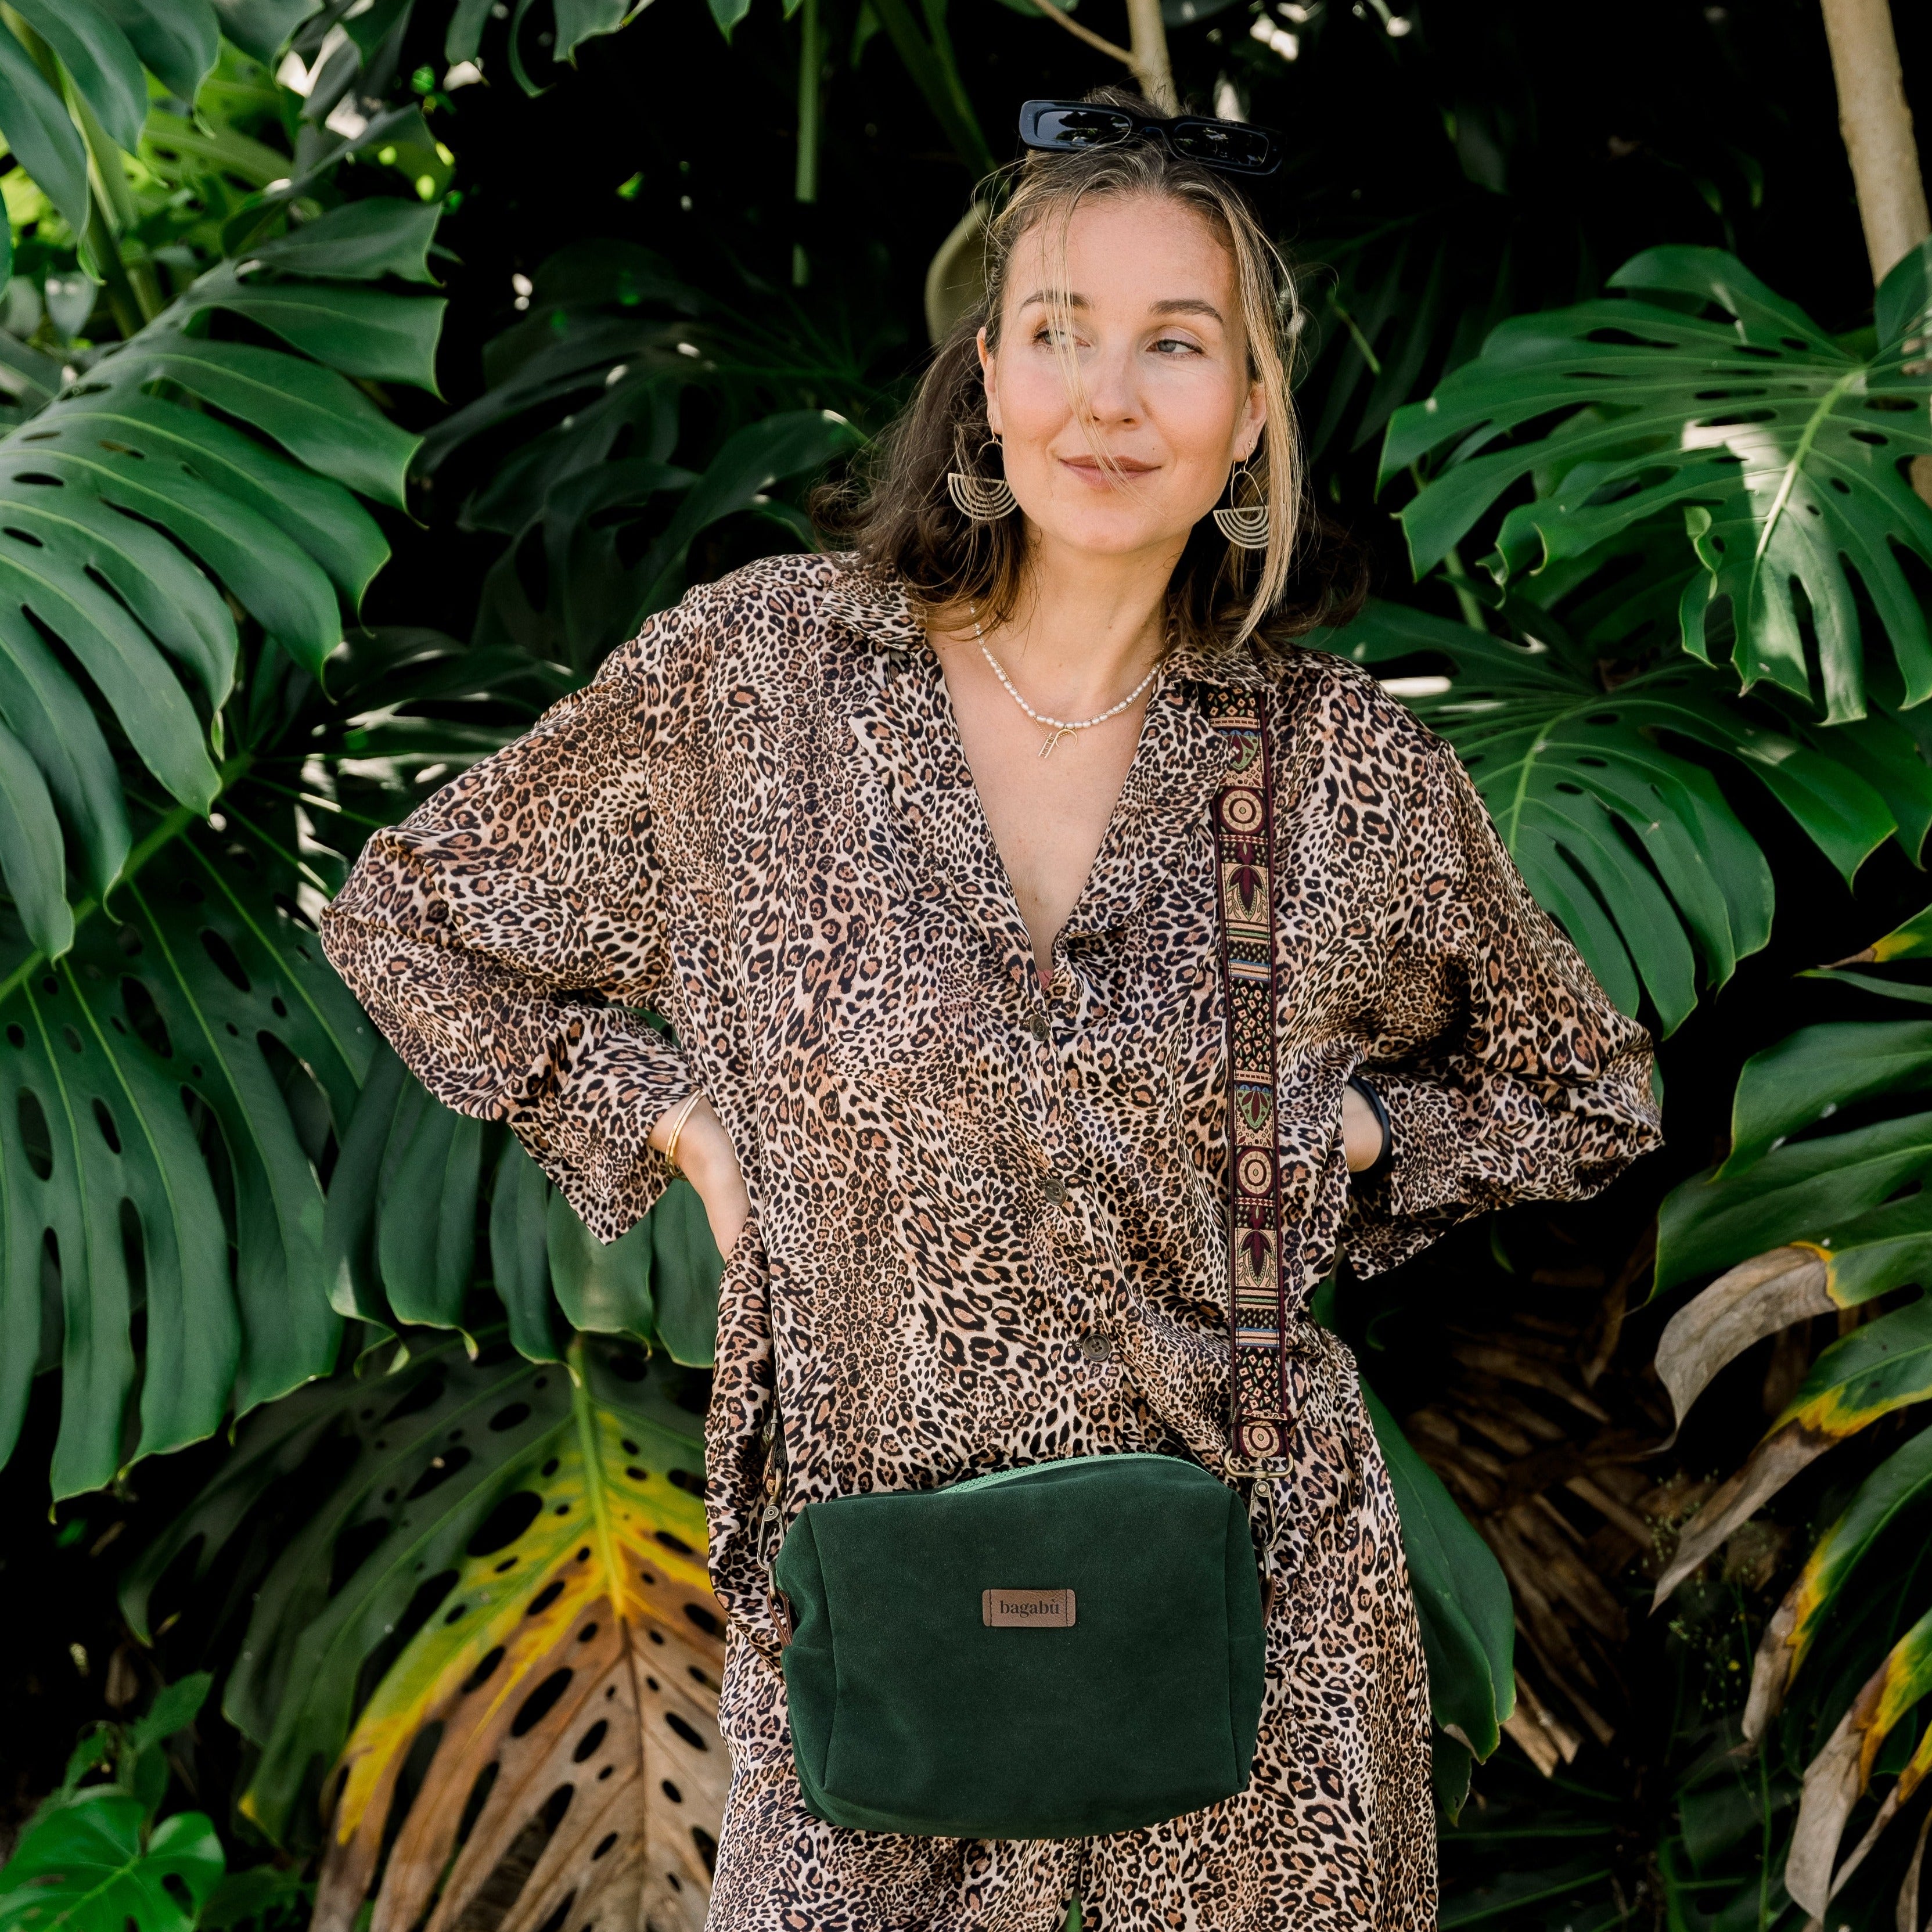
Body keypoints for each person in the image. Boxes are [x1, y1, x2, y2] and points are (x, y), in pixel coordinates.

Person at [322, 88, 1661, 1932]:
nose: (1108, 400)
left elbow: (1585, 1088)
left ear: (1253, 415)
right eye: (1060, 334)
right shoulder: (767, 679)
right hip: (868, 1660)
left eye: (1175, 346)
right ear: (987, 377)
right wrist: (670, 1121)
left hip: (1258, 1681)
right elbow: (414, 910)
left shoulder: (1345, 778)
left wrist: (1366, 1135)